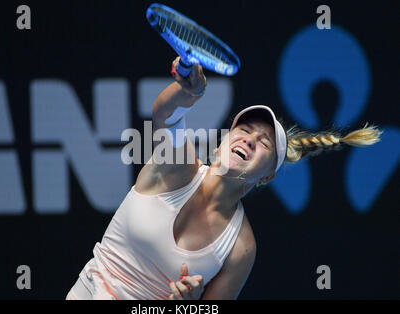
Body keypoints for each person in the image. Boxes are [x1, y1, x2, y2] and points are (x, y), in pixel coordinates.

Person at [66, 57, 382, 300]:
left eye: (265, 143)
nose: (249, 140)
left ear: (266, 177)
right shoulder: (177, 169)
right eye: (244, 130)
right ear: (220, 143)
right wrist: (187, 91)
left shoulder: (241, 247)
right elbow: (166, 115)